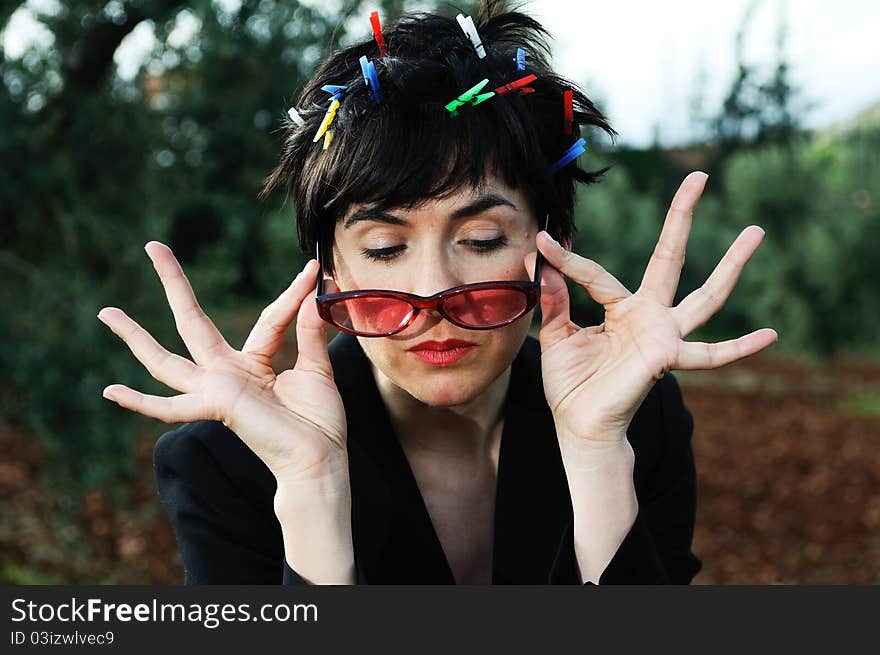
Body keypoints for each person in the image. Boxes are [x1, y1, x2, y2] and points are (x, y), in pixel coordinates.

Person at [97, 1, 777, 585]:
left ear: (549, 245)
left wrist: (599, 455)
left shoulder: (636, 415)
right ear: (331, 271)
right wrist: (311, 486)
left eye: (481, 240)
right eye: (386, 248)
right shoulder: (228, 461)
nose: (433, 291)